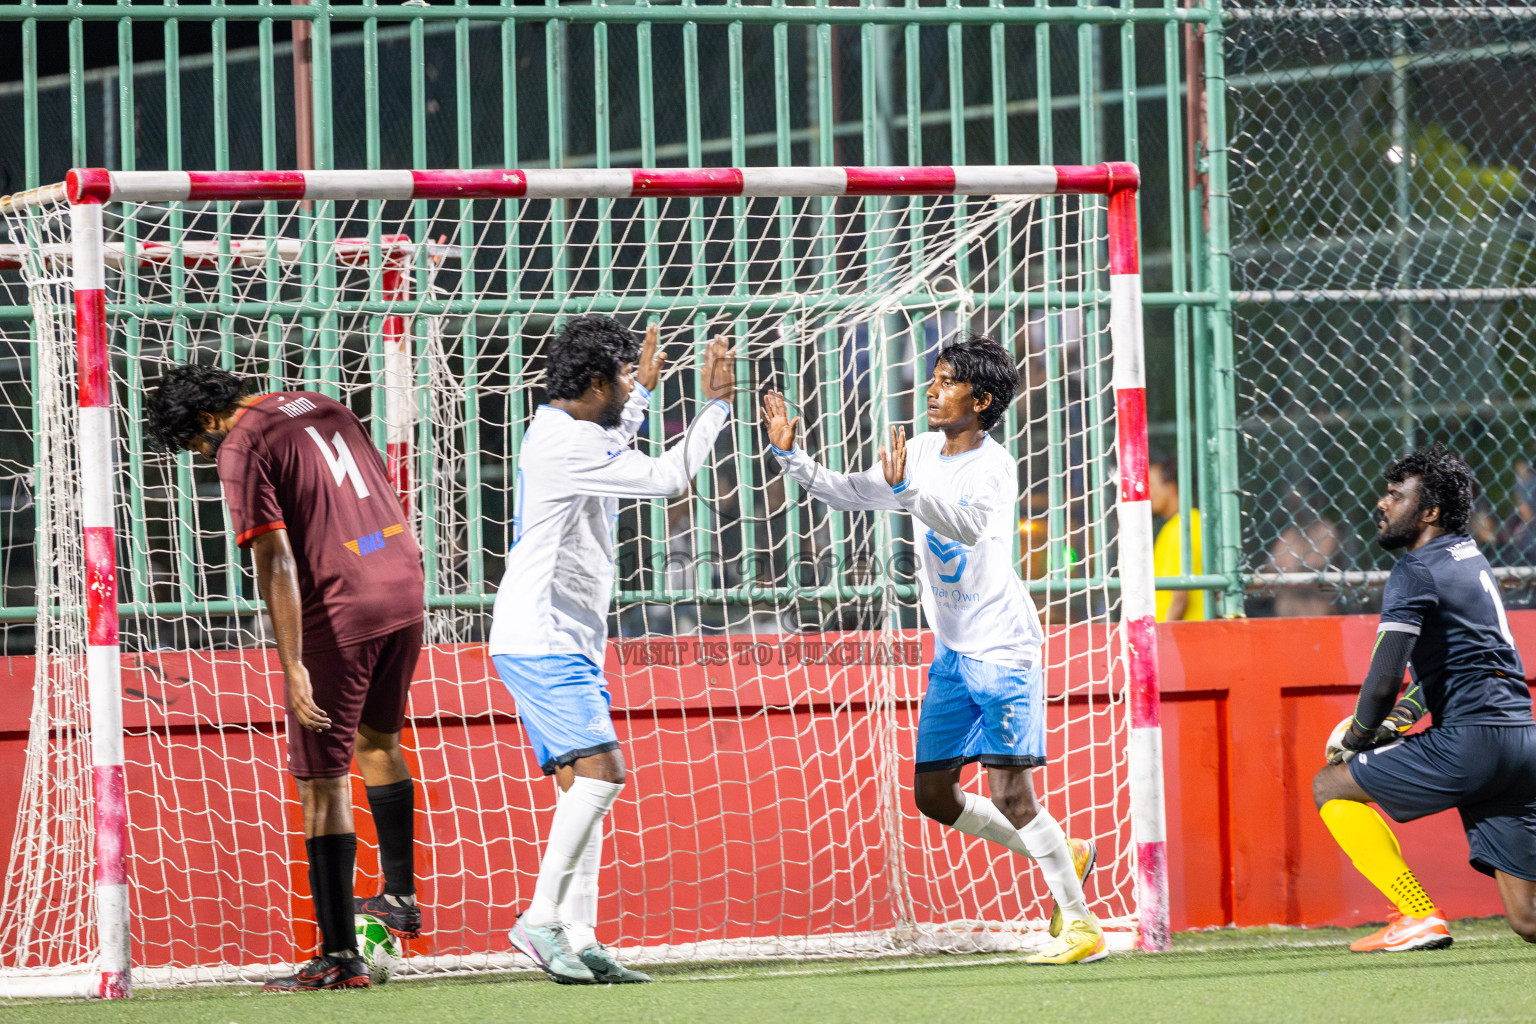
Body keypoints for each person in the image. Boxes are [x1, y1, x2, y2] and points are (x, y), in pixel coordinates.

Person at [761, 334, 1103, 965]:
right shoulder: (918, 450)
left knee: (1012, 794)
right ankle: (1066, 852)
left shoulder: (994, 466)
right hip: (952, 653)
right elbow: (850, 491)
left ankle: (1083, 927)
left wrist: (910, 493)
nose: (932, 390)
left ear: (982, 400)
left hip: (1002, 650)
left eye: (948, 382)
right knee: (933, 796)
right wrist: (792, 457)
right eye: (934, 378)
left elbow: (967, 526)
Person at [144, 365, 426, 992]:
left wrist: (293, 663)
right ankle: (399, 898)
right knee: (378, 742)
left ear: (207, 420)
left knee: (321, 783)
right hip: (403, 584)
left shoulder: (243, 441)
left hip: (342, 606)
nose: (203, 455)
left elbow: (274, 558)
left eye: (195, 444)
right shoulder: (321, 403)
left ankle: (339, 957)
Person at [489, 316, 736, 984]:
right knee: (602, 774)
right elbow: (669, 478)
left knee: (583, 787)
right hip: (542, 638)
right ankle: (540, 920)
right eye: (625, 377)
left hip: (561, 637)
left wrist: (644, 393)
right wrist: (717, 406)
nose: (631, 386)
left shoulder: (565, 430)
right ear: (597, 382)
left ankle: (579, 936)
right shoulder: (567, 442)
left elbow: (615, 439)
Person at [1314, 443, 1536, 952]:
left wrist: (1359, 736)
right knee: (1528, 919)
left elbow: (1384, 677)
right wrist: (1399, 720)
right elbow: (1453, 667)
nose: (1382, 503)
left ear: (1430, 512)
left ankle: (1416, 914)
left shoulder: (1415, 570)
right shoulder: (1469, 557)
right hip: (1521, 743)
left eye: (1396, 495)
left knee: (1330, 786)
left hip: (1471, 744)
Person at [1149, 451, 1204, 622]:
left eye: (1152, 485)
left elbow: (1180, 597)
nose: (1148, 493)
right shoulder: (1185, 523)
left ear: (1171, 487)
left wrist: (1163, 633)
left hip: (1181, 633)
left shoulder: (1182, 526)